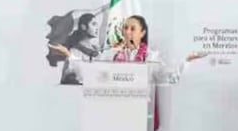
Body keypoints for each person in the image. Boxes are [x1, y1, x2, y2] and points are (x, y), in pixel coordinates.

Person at [48, 14, 206, 85]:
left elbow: (167, 77)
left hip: (139, 112)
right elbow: (92, 72)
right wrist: (69, 55)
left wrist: (186, 61)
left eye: (133, 28)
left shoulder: (151, 57)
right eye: (125, 28)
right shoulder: (111, 54)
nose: (127, 32)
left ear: (142, 33)